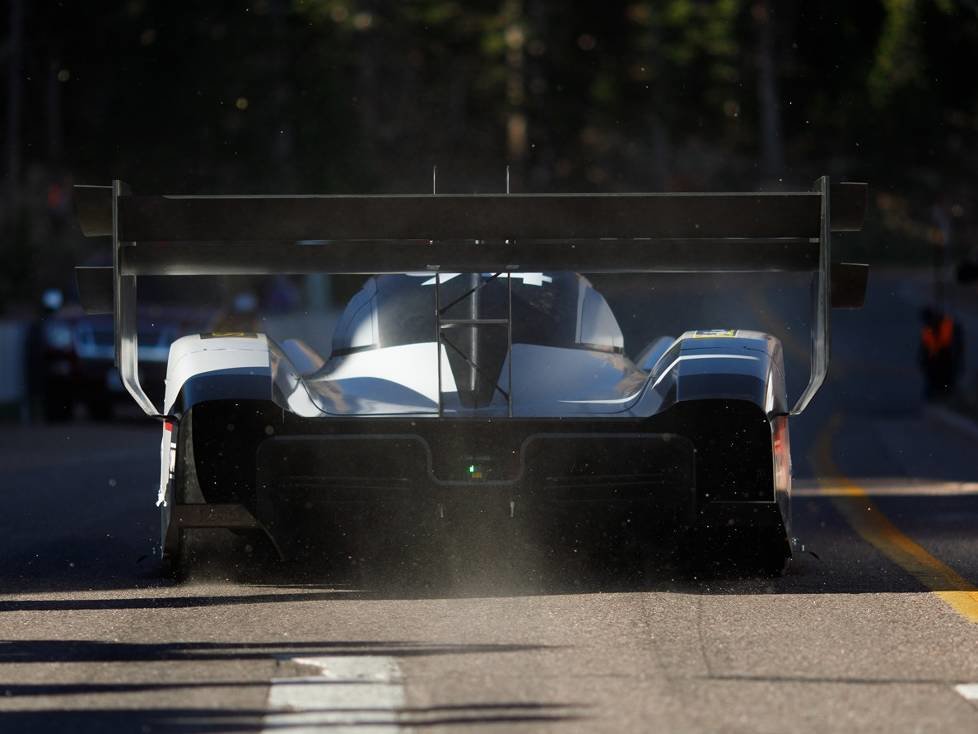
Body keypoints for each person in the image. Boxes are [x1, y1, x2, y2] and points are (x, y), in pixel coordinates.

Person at [919, 307, 964, 399]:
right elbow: (925, 347)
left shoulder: (946, 326)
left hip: (946, 359)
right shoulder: (928, 330)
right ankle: (937, 391)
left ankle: (945, 391)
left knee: (945, 377)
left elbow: (952, 346)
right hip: (937, 360)